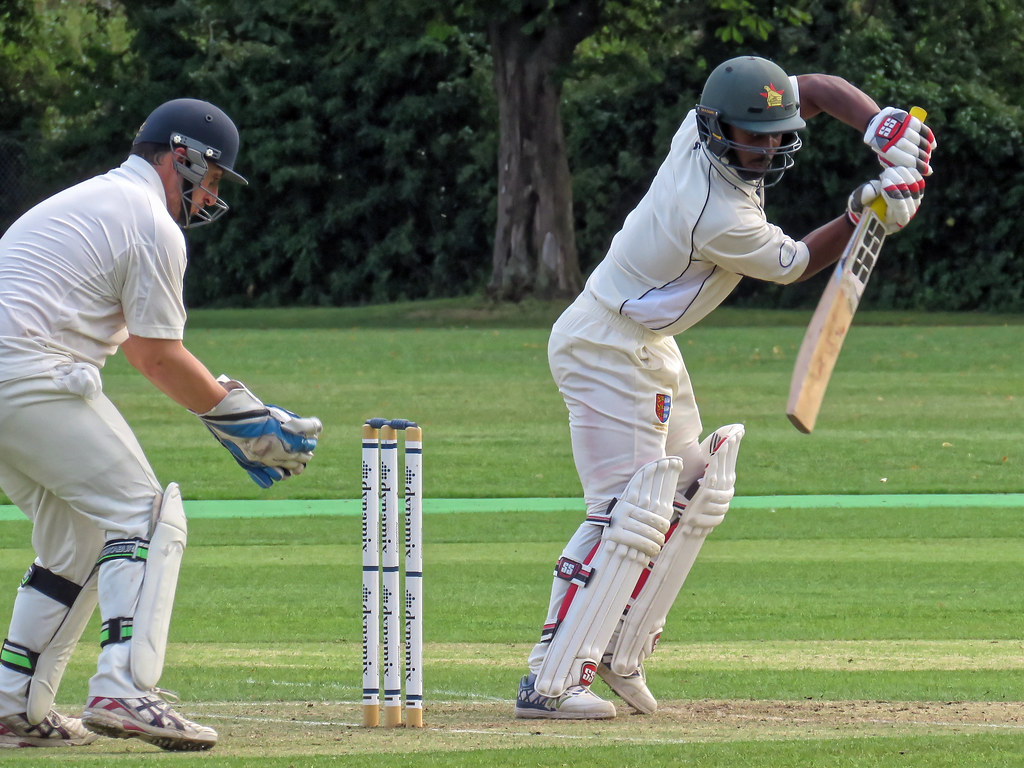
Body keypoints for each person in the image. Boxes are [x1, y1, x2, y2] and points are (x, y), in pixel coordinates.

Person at [515, 56, 935, 720]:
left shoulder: (704, 127)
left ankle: (620, 654)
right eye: (754, 135)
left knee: (696, 485)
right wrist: (867, 209)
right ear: (717, 129)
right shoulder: (710, 211)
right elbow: (796, 263)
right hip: (605, 346)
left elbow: (816, 90)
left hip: (646, 342)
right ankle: (553, 676)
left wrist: (880, 123)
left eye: (776, 134)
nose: (768, 146)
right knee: (629, 510)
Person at [0, 98, 322, 750]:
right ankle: (126, 687)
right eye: (210, 178)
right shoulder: (149, 222)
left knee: (79, 542)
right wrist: (248, 424)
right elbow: (155, 355)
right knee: (145, 514)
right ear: (183, 155)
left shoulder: (97, 199)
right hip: (27, 371)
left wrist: (237, 414)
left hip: (14, 374)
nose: (209, 196)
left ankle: (12, 705)